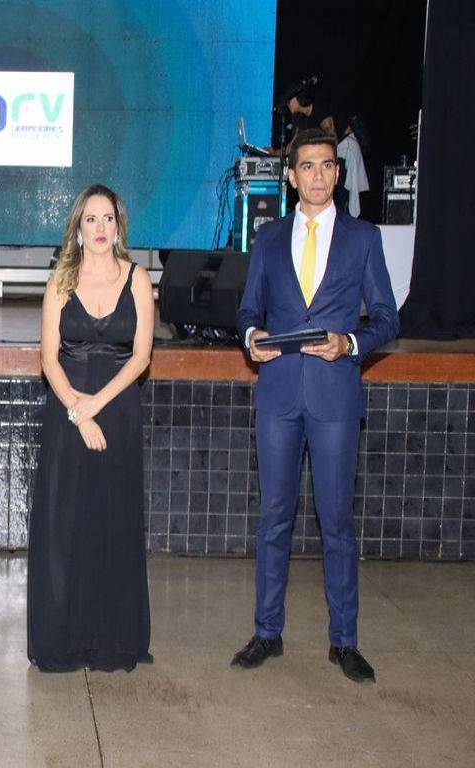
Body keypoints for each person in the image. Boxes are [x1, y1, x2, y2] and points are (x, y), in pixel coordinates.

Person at [233, 129, 400, 683]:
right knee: (274, 518)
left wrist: (349, 343)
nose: (318, 176)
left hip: (335, 398)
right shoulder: (267, 239)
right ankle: (267, 632)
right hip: (279, 396)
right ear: (291, 176)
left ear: (338, 172)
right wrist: (252, 337)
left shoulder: (363, 238)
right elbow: (248, 311)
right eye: (307, 166)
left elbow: (387, 317)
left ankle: (344, 642)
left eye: (327, 165)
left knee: (337, 523)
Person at [27, 184, 155, 672]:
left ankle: (112, 640)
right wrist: (78, 415)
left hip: (118, 414)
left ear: (118, 226)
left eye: (108, 219)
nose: (100, 228)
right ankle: (63, 639)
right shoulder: (60, 281)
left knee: (113, 523)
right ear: (78, 229)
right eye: (91, 219)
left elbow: (141, 358)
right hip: (67, 417)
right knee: (65, 527)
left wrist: (95, 407)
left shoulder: (138, 279)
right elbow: (48, 359)